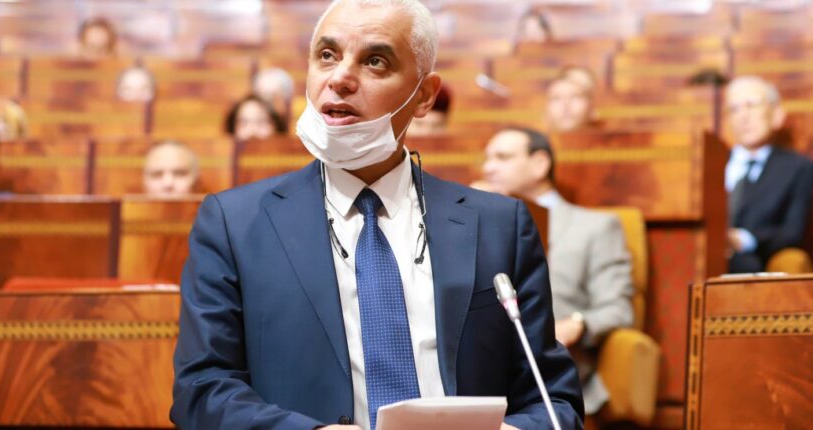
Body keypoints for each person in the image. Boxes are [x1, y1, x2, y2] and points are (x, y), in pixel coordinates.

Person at [172, 1, 583, 429]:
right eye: (327, 55)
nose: (339, 78)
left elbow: (553, 401)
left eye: (375, 61)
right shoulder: (234, 224)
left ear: (423, 96)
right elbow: (202, 390)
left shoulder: (500, 226)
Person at [477, 126, 634, 415]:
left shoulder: (594, 227)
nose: (488, 168)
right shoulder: (471, 220)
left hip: (548, 369)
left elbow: (618, 310)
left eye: (502, 157)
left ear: (540, 164)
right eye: (487, 159)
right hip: (479, 368)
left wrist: (575, 323)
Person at [723, 76, 813, 273]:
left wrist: (744, 239)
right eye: (735, 109)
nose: (743, 116)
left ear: (776, 115)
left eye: (751, 105)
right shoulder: (712, 163)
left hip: (757, 262)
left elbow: (792, 232)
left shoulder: (798, 168)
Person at [545, 66, 599, 133]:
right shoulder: (537, 138)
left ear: (591, 104)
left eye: (575, 96)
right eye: (557, 98)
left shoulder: (608, 139)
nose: (565, 106)